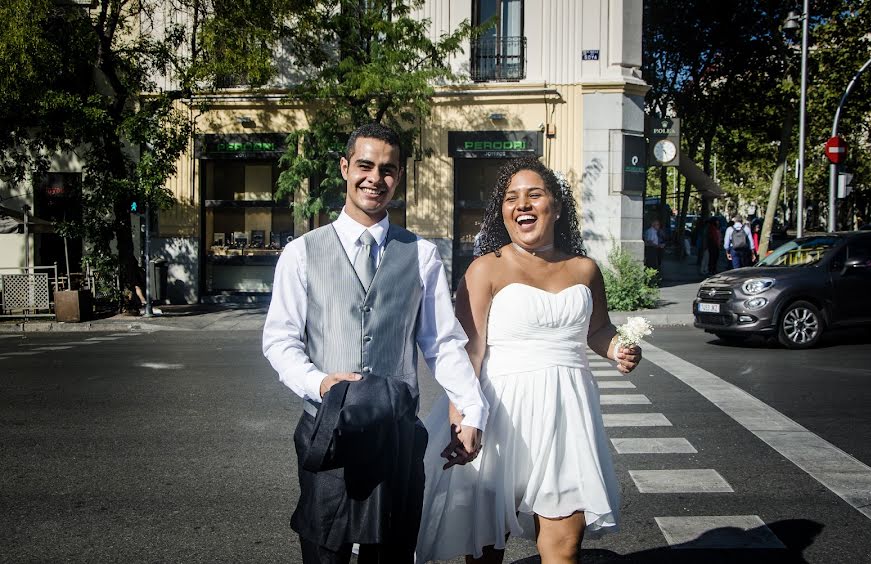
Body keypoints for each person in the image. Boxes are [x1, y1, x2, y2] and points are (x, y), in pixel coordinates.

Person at [262, 123, 488, 564]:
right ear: (345, 168)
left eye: (387, 170)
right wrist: (320, 383)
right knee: (324, 554)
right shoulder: (301, 253)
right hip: (328, 433)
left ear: (398, 177)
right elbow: (280, 340)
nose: (375, 178)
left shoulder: (421, 255)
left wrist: (472, 409)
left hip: (397, 436)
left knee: (392, 555)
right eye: (364, 166)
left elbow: (441, 342)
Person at [415, 157, 642, 564]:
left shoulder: (585, 270)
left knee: (564, 547)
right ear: (502, 212)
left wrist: (617, 348)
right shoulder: (486, 269)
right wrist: (462, 420)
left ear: (554, 206)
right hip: (501, 417)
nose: (522, 204)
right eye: (511, 198)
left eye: (534, 195)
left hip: (567, 418)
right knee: (485, 550)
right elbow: (470, 352)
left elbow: (596, 329)